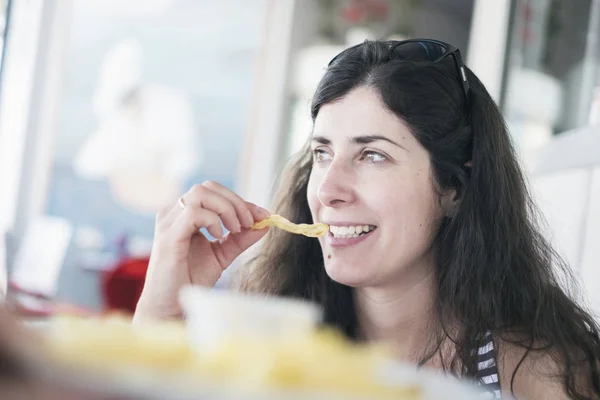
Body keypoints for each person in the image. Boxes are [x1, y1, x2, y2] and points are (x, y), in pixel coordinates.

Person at [133, 39, 600, 399]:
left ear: (455, 188)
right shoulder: (261, 345)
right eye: (322, 153)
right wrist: (163, 311)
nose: (328, 191)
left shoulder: (530, 373)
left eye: (373, 155)